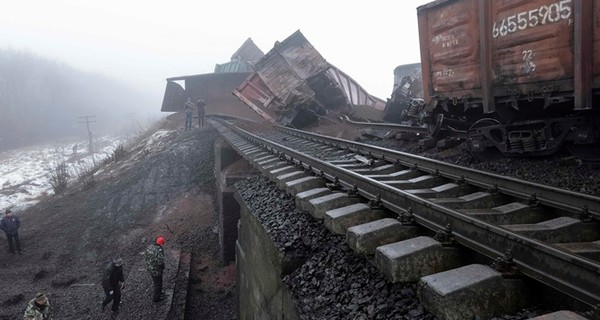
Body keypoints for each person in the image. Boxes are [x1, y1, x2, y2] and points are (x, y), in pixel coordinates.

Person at [145, 236, 165, 302]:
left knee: (156, 282)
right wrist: (162, 267)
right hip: (157, 270)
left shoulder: (149, 247)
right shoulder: (158, 251)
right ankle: (156, 298)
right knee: (158, 283)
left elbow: (146, 257)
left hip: (150, 268)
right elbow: (160, 262)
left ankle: (159, 292)